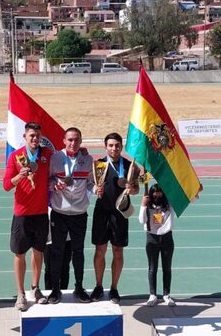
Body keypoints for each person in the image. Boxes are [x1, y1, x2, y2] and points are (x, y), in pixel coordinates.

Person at [3, 122, 52, 311]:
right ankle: (21, 294)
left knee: (38, 252)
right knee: (20, 253)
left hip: (40, 213)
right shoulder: (16, 156)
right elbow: (7, 185)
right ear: (25, 136)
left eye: (38, 135)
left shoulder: (47, 155)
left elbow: (55, 173)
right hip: (22, 214)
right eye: (31, 135)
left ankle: (35, 288)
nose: (35, 139)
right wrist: (19, 176)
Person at [91, 132, 138, 304]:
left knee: (118, 252)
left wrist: (131, 189)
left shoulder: (130, 165)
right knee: (99, 250)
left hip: (120, 214)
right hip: (102, 213)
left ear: (121, 147)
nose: (114, 148)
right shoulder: (98, 165)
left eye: (117, 145)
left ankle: (114, 288)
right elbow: (91, 186)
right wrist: (95, 190)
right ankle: (98, 286)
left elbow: (137, 189)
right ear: (105, 147)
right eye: (110, 145)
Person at [48, 127, 94, 304]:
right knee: (57, 252)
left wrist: (95, 190)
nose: (73, 143)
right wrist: (55, 184)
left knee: (78, 251)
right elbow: (48, 180)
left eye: (76, 140)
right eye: (70, 140)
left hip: (79, 213)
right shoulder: (56, 158)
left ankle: (79, 287)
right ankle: (55, 289)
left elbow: (90, 183)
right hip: (59, 213)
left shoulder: (87, 159)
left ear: (81, 141)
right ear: (64, 141)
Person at [139, 184, 176, 307]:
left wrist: (196, 191)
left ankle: (166, 294)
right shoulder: (148, 205)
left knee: (167, 268)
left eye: (159, 192)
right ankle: (152, 295)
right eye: (154, 192)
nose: (157, 195)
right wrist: (143, 205)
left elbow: (187, 200)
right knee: (152, 268)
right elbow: (141, 220)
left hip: (167, 238)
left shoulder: (169, 205)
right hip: (152, 239)